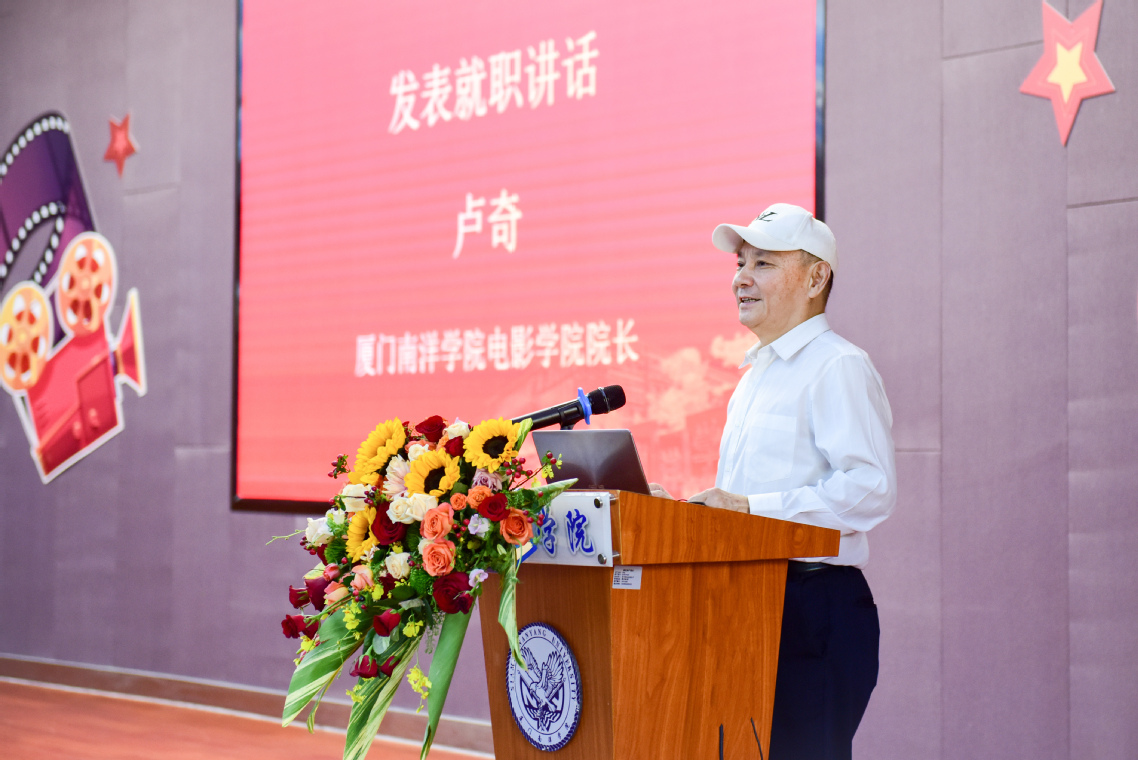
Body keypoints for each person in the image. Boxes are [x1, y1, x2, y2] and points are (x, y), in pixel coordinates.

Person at [649, 203, 896, 760]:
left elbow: (870, 489)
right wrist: (682, 515)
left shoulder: (837, 365)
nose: (741, 278)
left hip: (812, 610)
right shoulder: (756, 375)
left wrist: (748, 509)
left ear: (815, 278)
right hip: (747, 604)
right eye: (740, 263)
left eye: (763, 263)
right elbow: (747, 501)